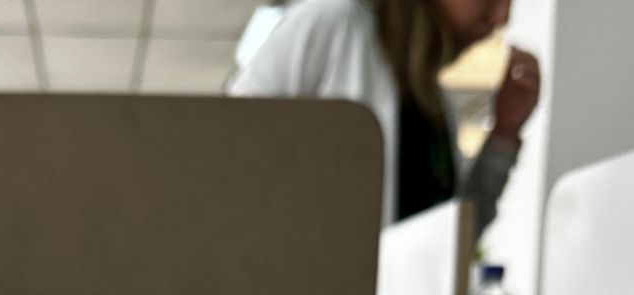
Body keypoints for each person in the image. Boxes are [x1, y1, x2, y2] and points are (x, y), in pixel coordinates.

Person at [230, 0, 541, 231]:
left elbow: (446, 247)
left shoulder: (433, 102)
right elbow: (225, 158)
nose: (502, 17)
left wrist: (504, 133)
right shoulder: (332, 23)